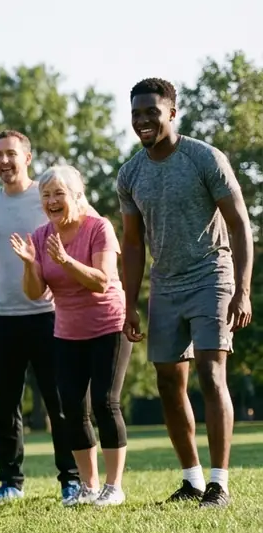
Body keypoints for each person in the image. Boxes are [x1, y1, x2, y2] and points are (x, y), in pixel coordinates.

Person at [117, 78, 254, 508]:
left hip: (212, 273)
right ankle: (191, 479)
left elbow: (239, 223)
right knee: (167, 381)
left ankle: (219, 483)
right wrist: (130, 303)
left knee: (212, 375)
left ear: (172, 113)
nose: (143, 121)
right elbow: (134, 244)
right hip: (166, 283)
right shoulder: (130, 174)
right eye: (136, 113)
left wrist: (243, 289)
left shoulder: (204, 157)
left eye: (151, 113)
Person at [0, 130, 83, 503]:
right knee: (5, 406)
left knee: (59, 402)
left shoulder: (47, 196)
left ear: (27, 158)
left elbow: (86, 224)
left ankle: (71, 478)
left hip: (49, 315)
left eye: (11, 154)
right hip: (1, 319)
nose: (3, 161)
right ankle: (11, 482)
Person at [11, 165, 131, 507]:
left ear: (77, 197)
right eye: (45, 195)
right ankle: (89, 486)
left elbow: (101, 281)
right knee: (71, 408)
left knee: (106, 404)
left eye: (58, 194)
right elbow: (35, 293)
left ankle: (114, 487)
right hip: (67, 330)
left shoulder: (99, 228)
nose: (51, 201)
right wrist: (28, 264)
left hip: (108, 324)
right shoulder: (39, 236)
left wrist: (64, 260)